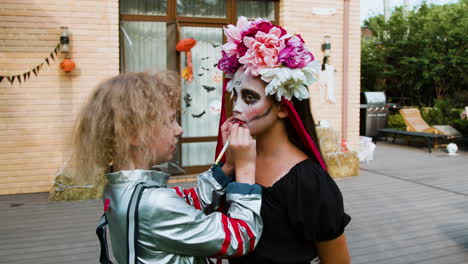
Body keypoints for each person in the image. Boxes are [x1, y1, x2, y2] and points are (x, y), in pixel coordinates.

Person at [70, 71, 263, 263]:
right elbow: (240, 236)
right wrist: (245, 168)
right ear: (134, 134)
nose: (179, 129)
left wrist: (228, 166)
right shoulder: (155, 203)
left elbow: (187, 204)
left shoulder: (121, 188)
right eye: (170, 120)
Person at [216, 17, 351, 263]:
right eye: (234, 95)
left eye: (248, 97)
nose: (235, 108)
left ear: (283, 107)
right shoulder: (237, 159)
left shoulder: (309, 182)